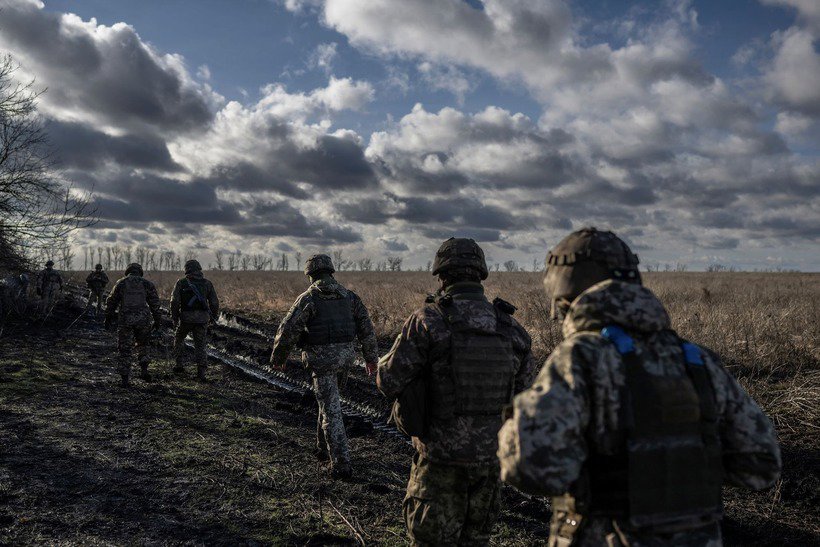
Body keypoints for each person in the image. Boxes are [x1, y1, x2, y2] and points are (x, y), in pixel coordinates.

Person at [498, 227, 782, 546]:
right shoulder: (697, 361)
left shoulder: (581, 357)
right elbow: (760, 466)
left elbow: (530, 467)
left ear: (564, 292)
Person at [377, 237, 536, 546]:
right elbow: (526, 399)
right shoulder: (511, 329)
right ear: (480, 274)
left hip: (439, 462)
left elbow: (388, 381)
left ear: (442, 276)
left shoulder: (427, 321)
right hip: (489, 463)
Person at [269, 254, 378, 479]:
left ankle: (341, 464)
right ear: (331, 272)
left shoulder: (308, 299)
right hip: (346, 360)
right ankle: (321, 449)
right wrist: (371, 359)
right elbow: (367, 330)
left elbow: (288, 330)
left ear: (310, 275)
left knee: (331, 411)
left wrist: (278, 358)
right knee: (328, 402)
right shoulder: (350, 297)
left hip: (321, 362)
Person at [105, 263, 161, 387]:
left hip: (125, 320)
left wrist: (108, 317)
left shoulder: (121, 283)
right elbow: (155, 305)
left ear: (128, 271)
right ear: (140, 271)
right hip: (143, 321)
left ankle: (125, 379)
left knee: (125, 349)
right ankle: (144, 370)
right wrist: (158, 321)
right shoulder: (147, 284)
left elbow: (111, 301)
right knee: (144, 345)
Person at [170, 259, 219, 382]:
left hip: (185, 318)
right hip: (202, 320)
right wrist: (214, 317)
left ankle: (179, 365)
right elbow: (214, 302)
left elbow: (174, 302)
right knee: (200, 345)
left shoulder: (181, 283)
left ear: (187, 270)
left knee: (179, 338)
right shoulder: (207, 283)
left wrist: (175, 318)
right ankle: (201, 373)